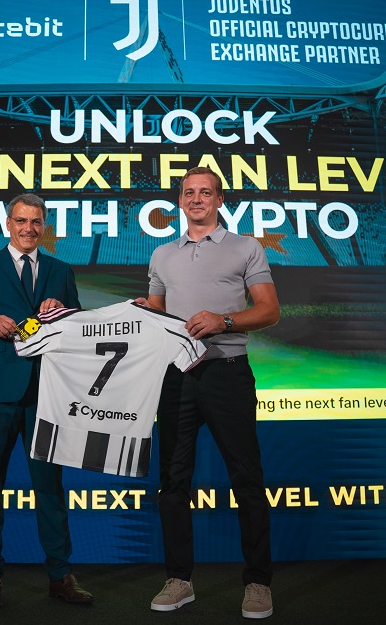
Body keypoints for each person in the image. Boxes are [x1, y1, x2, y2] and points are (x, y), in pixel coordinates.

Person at [139, 167, 280, 618]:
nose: (196, 199)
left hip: (227, 374)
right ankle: (179, 580)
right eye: (189, 192)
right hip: (176, 378)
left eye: (206, 192)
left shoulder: (246, 247)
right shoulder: (162, 254)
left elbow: (269, 311)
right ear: (180, 201)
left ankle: (257, 582)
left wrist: (226, 320)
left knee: (247, 478)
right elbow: (157, 314)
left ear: (220, 200)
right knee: (173, 482)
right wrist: (142, 313)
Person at [0, 193, 93, 609]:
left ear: (44, 226)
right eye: (22, 221)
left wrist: (63, 311)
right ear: (8, 223)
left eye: (36, 222)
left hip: (47, 393)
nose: (29, 228)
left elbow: (78, 327)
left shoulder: (61, 271)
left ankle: (60, 576)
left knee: (50, 488)